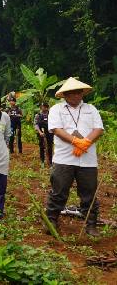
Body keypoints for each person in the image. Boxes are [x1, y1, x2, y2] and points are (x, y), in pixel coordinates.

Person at [45, 78, 104, 237]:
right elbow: (56, 129)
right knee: (59, 191)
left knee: (89, 193)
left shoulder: (91, 109)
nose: (76, 95)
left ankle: (91, 225)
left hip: (87, 159)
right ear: (65, 95)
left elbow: (98, 129)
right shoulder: (56, 109)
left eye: (79, 92)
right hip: (64, 158)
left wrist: (86, 142)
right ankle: (52, 220)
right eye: (72, 93)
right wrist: (76, 141)